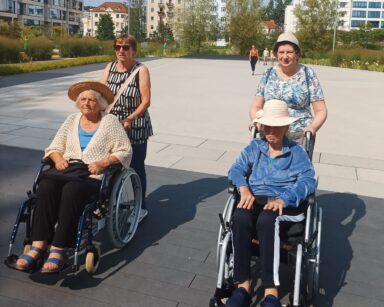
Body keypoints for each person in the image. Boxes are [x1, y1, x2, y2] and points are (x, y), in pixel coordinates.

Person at [14, 81, 132, 273]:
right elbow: (53, 147)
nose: (86, 103)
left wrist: (103, 163)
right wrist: (58, 158)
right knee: (45, 187)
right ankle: (38, 245)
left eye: (91, 100)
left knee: (72, 191)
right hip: (66, 170)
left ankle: (58, 249)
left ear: (101, 103)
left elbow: (125, 151)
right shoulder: (71, 119)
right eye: (83, 99)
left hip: (91, 175)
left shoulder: (110, 122)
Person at [226, 100, 316, 307]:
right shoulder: (254, 147)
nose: (271, 130)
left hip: (284, 205)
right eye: (267, 126)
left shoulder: (297, 153)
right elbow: (236, 170)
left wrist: (284, 199)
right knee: (239, 216)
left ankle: (271, 292)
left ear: (286, 127)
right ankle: (243, 286)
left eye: (276, 126)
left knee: (268, 219)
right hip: (254, 198)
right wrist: (244, 188)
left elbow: (308, 181)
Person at [101, 34, 153, 222]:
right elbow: (101, 94)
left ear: (133, 50)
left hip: (135, 125)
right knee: (110, 165)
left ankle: (141, 208)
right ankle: (109, 202)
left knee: (137, 166)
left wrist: (130, 118)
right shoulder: (110, 67)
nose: (121, 51)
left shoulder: (141, 70)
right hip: (112, 125)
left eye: (125, 47)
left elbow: (146, 102)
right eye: (117, 47)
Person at [250, 32, 327, 143]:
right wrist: (256, 121)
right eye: (281, 52)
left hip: (299, 134)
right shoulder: (268, 73)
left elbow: (321, 110)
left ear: (297, 54)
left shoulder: (307, 73)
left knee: (297, 160)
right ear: (276, 54)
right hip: (269, 132)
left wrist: (313, 127)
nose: (285, 56)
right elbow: (256, 106)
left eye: (289, 52)